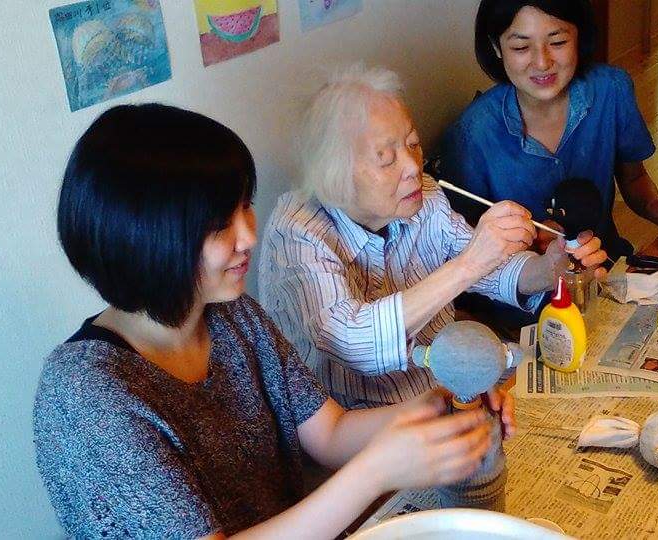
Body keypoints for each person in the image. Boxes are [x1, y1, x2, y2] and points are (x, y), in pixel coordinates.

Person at [34, 104, 510, 539]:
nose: (249, 235)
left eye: (244, 206)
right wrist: (376, 472)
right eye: (219, 225)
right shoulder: (85, 394)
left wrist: (435, 409)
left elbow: (330, 433)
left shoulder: (233, 316)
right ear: (145, 239)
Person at [258, 65, 607, 409]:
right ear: (335, 173)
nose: (413, 167)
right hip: (359, 420)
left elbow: (490, 271)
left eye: (413, 144)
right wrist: (469, 263)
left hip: (443, 383)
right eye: (386, 159)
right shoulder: (297, 232)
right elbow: (352, 344)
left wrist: (549, 269)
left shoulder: (423, 196)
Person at [440, 0, 658, 261]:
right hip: (521, 288)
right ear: (496, 47)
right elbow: (463, 240)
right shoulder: (472, 133)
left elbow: (633, 178)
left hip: (605, 265)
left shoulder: (611, 90)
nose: (542, 62)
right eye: (521, 47)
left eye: (558, 42)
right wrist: (527, 244)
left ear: (579, 36)